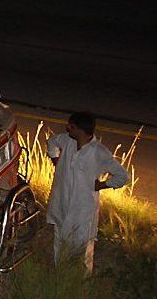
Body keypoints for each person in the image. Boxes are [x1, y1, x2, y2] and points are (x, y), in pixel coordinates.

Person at [46, 112, 129, 275]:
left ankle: (81, 282)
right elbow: (52, 142)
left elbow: (122, 176)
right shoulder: (67, 140)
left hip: (83, 208)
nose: (67, 128)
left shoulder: (99, 152)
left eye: (71, 126)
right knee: (60, 239)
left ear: (80, 129)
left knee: (83, 245)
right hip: (62, 201)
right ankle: (59, 275)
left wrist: (103, 184)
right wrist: (55, 159)